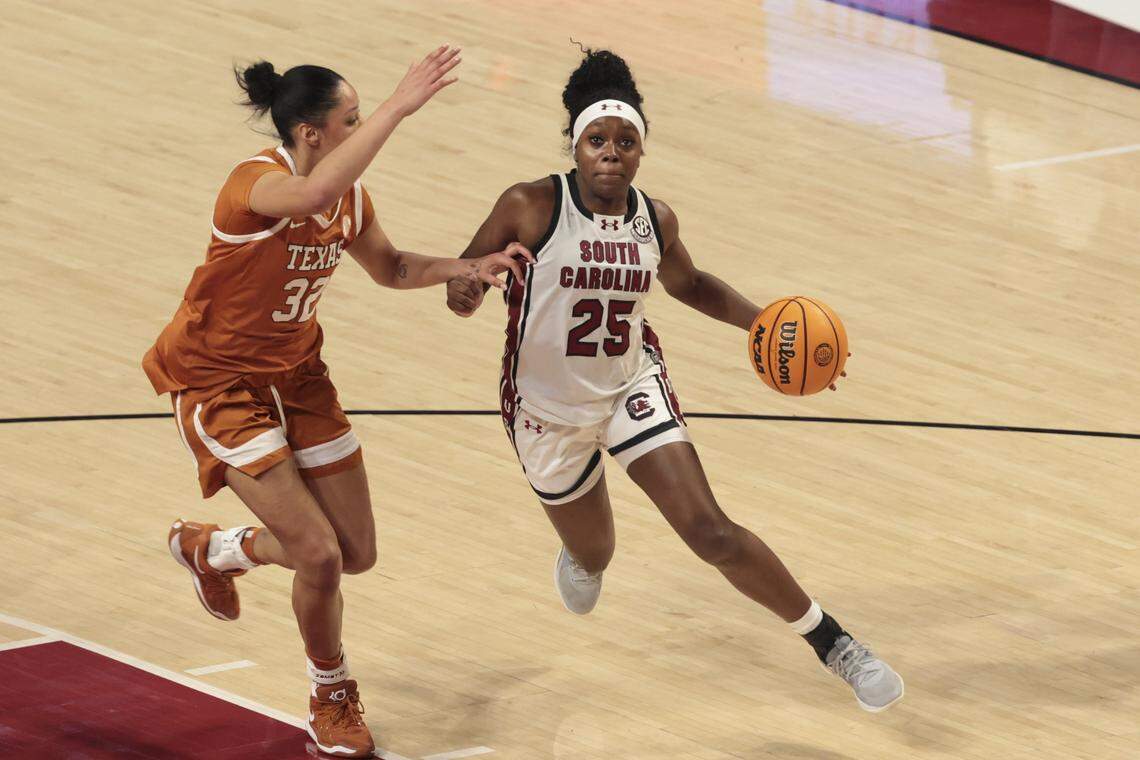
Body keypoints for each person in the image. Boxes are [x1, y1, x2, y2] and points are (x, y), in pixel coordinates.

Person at [445, 48, 903, 713]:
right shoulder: (530, 205)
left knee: (710, 531)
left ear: (640, 152)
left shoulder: (654, 219)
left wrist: (768, 326)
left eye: (625, 142)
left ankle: (836, 645)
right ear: (576, 146)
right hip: (546, 409)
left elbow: (688, 284)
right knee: (595, 553)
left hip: (630, 384)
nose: (611, 152)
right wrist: (467, 288)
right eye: (597, 140)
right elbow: (463, 278)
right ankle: (582, 556)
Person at [143, 47, 531, 758]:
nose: (360, 127)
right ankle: (332, 695)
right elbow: (312, 194)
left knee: (355, 552)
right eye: (351, 119)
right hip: (219, 382)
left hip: (300, 378)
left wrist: (470, 265)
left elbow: (393, 267)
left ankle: (216, 550)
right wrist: (401, 105)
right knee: (318, 557)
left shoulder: (350, 199)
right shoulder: (254, 184)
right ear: (311, 134)